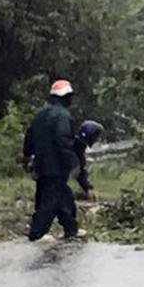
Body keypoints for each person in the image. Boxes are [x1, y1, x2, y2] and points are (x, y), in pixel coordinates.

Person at [23, 79, 80, 241]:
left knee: (63, 197)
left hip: (41, 167)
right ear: (67, 97)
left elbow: (29, 140)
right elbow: (63, 141)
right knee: (50, 203)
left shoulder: (39, 115)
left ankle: (71, 230)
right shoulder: (62, 116)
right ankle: (36, 234)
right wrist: (73, 162)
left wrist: (28, 158)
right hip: (55, 168)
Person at [73, 120, 104, 201]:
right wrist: (87, 188)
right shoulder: (76, 147)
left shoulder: (76, 143)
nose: (97, 139)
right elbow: (80, 170)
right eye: (96, 136)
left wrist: (87, 187)